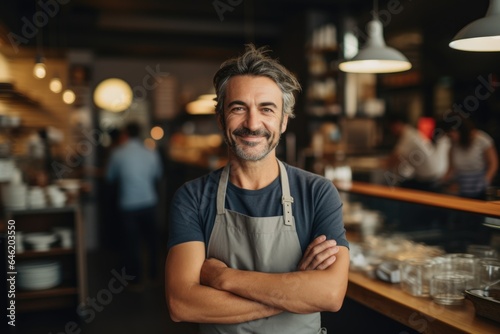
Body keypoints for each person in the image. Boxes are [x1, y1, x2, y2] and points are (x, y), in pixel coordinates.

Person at [165, 44, 349, 334]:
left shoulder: (318, 192)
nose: (252, 124)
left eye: (267, 109)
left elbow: (330, 295)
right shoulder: (192, 197)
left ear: (284, 121)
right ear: (220, 118)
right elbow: (183, 304)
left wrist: (225, 278)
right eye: (239, 108)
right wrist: (295, 293)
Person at [106, 121, 163, 285]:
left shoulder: (118, 153)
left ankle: (136, 281)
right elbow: (158, 175)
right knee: (153, 241)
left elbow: (109, 177)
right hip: (149, 201)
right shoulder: (150, 152)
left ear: (125, 134)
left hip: (128, 204)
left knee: (132, 243)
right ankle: (154, 275)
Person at [386, 114, 451, 192]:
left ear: (398, 124)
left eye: (391, 127)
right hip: (433, 173)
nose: (391, 131)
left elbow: (394, 158)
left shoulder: (408, 136)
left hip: (429, 176)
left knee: (400, 187)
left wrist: (380, 164)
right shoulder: (411, 133)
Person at [443, 115, 498, 199]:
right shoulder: (453, 145)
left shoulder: (482, 139)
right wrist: (443, 182)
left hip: (480, 188)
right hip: (461, 190)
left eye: (451, 133)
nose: (450, 137)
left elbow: (493, 164)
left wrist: (486, 180)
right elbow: (451, 169)